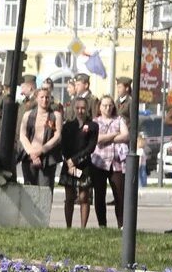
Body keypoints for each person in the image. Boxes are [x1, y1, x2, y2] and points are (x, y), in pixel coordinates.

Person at [57, 97, 98, 229]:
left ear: (87, 109)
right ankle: (68, 226)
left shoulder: (93, 126)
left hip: (83, 165)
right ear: (74, 109)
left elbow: (90, 147)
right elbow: (63, 146)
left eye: (83, 108)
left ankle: (82, 228)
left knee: (83, 197)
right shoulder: (68, 126)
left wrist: (74, 160)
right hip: (68, 165)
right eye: (78, 108)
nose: (80, 111)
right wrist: (67, 161)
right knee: (69, 197)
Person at [89, 95, 128, 229]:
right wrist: (113, 135)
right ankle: (102, 225)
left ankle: (122, 225)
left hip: (117, 163)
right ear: (99, 107)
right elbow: (97, 139)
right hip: (99, 163)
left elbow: (126, 136)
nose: (108, 108)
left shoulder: (119, 119)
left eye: (110, 105)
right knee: (99, 195)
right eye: (105, 105)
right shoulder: (95, 122)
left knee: (120, 195)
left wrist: (107, 138)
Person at [19, 87, 60, 189]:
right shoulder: (27, 115)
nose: (45, 100)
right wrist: (32, 153)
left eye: (47, 97)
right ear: (36, 98)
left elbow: (57, 136)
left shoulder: (56, 115)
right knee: (29, 190)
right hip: (29, 158)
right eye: (42, 97)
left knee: (45, 190)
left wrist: (41, 151)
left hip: (47, 158)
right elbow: (22, 135)